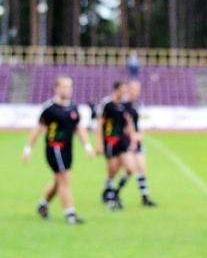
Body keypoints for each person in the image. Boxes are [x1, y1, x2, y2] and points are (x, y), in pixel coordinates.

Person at [22, 76, 94, 224]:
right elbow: (38, 129)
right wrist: (28, 149)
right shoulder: (49, 109)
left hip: (68, 149)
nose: (68, 90)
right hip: (54, 148)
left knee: (58, 182)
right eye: (64, 87)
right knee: (65, 180)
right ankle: (70, 214)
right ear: (57, 88)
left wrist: (87, 146)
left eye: (70, 87)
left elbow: (79, 128)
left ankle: (43, 205)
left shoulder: (73, 108)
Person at [113, 80, 157, 207]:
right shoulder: (123, 105)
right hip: (126, 140)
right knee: (129, 169)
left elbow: (135, 123)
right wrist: (132, 136)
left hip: (136, 140)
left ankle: (144, 197)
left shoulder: (137, 104)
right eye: (133, 89)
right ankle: (115, 192)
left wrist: (139, 133)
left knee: (141, 168)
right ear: (128, 90)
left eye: (138, 90)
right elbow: (124, 126)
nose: (136, 92)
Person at [96, 81, 137, 210]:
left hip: (123, 141)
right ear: (116, 89)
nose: (124, 92)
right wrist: (98, 143)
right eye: (122, 90)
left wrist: (133, 138)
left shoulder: (126, 105)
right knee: (112, 170)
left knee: (130, 168)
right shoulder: (107, 104)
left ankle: (116, 191)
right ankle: (108, 193)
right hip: (110, 141)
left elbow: (129, 123)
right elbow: (99, 123)